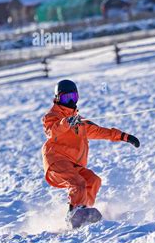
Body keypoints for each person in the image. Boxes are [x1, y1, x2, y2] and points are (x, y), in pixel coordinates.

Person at [41, 79, 140, 226]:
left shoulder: (80, 122)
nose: (69, 101)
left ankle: (84, 211)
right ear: (57, 98)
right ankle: (74, 213)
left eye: (73, 97)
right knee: (78, 183)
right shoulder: (52, 117)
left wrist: (124, 137)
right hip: (56, 161)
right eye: (65, 98)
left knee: (93, 181)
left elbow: (100, 131)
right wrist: (66, 122)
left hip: (73, 164)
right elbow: (52, 132)